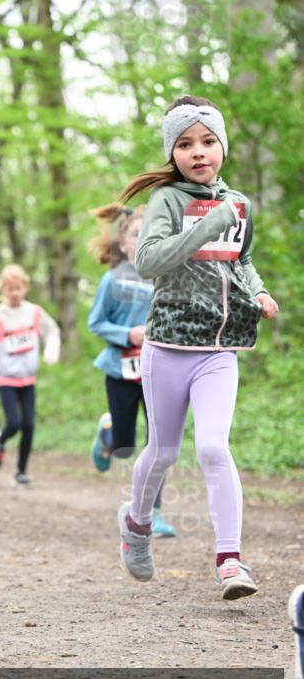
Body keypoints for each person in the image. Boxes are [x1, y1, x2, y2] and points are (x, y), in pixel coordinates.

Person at [112, 95, 279, 599]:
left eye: (207, 141)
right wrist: (207, 220)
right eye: (185, 144)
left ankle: (230, 560)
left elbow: (240, 260)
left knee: (212, 446)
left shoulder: (241, 204)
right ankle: (136, 526)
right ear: (173, 152)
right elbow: (148, 261)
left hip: (219, 349)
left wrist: (260, 290)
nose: (198, 152)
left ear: (222, 146)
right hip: (167, 346)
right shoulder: (165, 201)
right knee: (162, 451)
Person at [88, 205, 176, 538]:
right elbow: (96, 322)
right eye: (138, 234)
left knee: (159, 441)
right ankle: (109, 432)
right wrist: (128, 335)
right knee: (126, 446)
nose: (144, 240)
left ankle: (154, 513)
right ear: (124, 244)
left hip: (158, 370)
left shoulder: (167, 278)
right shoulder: (112, 280)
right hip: (120, 370)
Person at [0, 264, 60, 487]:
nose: (15, 293)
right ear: (3, 290)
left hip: (28, 377)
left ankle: (21, 470)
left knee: (29, 424)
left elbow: (52, 331)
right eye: (10, 289)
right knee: (14, 422)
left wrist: (51, 349)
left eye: (18, 288)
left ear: (25, 288)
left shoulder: (35, 312)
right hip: (6, 377)